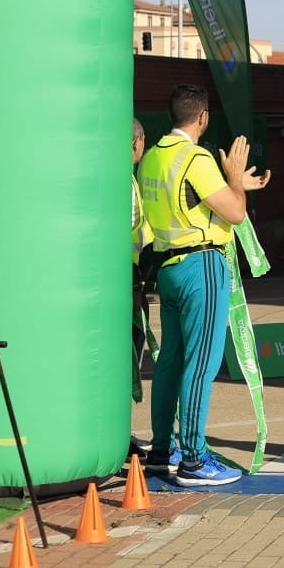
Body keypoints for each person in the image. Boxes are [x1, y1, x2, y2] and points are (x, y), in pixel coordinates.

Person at [138, 84, 271, 487]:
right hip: (201, 266)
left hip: (168, 268)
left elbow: (190, 201)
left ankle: (163, 451)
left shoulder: (153, 158)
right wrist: (233, 179)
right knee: (202, 363)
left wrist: (234, 185)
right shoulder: (196, 158)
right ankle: (195, 459)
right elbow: (232, 214)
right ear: (203, 117)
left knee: (171, 361)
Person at [130, 117, 155, 457]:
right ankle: (119, 435)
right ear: (137, 142)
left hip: (131, 280)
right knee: (128, 360)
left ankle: (121, 433)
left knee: (131, 360)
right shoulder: (126, 181)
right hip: (128, 282)